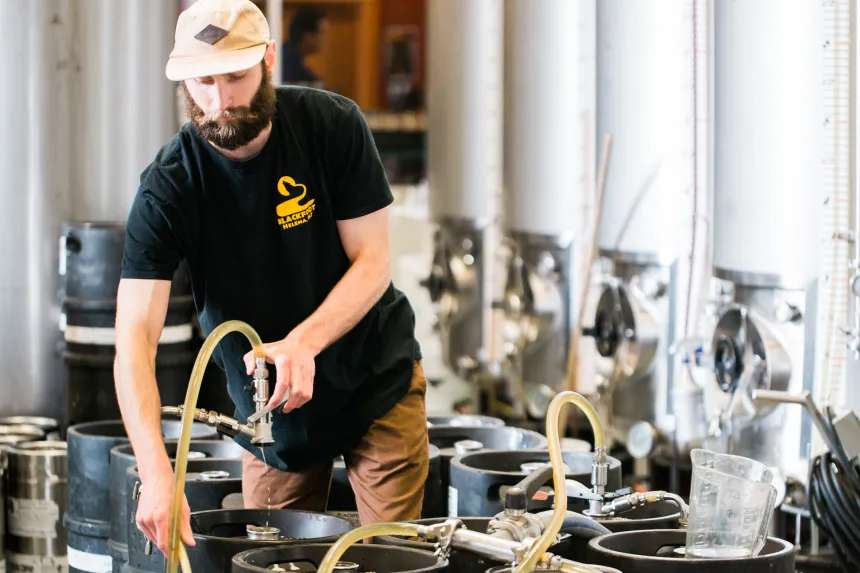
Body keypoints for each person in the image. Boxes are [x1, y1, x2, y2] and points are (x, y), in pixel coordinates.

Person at [114, 0, 428, 556]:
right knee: (272, 561)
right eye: (203, 82)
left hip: (373, 380)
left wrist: (304, 342)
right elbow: (134, 341)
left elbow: (375, 262)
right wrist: (157, 474)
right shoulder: (168, 186)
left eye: (236, 76)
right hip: (269, 413)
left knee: (390, 556)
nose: (221, 99)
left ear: (269, 60)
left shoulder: (332, 126)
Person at [282, 6, 325, 86]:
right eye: (321, 33)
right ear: (307, 35)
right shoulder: (284, 61)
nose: (323, 38)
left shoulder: (290, 56)